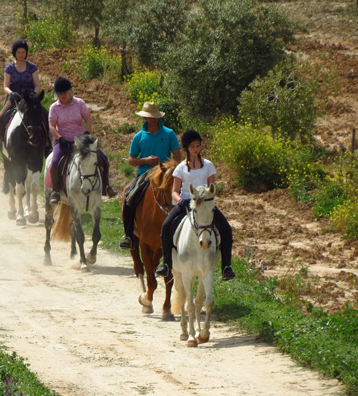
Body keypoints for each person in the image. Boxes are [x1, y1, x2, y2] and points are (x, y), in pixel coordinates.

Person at [156, 129, 235, 281]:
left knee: (226, 228)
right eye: (192, 146)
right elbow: (174, 192)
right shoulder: (180, 168)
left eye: (197, 145)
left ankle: (226, 266)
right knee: (166, 226)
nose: (196, 149)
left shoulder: (208, 165)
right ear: (186, 148)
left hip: (204, 204)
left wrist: (208, 199)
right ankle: (166, 264)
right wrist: (181, 200)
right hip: (186, 203)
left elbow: (212, 188)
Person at [118, 102, 181, 250]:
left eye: (154, 117)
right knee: (128, 195)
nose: (151, 119)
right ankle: (128, 234)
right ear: (144, 118)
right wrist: (145, 160)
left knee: (182, 197)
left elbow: (177, 154)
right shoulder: (138, 137)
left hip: (164, 174)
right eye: (148, 117)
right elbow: (131, 160)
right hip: (144, 174)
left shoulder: (169, 133)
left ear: (158, 117)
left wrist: (169, 167)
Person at [48, 77, 117, 204]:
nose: (63, 95)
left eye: (65, 92)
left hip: (81, 140)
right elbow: (52, 126)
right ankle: (56, 191)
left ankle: (106, 186)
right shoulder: (54, 107)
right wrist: (60, 138)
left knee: (103, 157)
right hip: (63, 140)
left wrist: (86, 133)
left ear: (70, 91)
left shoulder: (79, 103)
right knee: (55, 162)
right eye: (60, 93)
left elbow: (88, 119)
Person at [0, 39, 49, 159]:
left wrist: (34, 93)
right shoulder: (9, 68)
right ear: (14, 53)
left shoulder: (32, 67)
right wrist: (12, 93)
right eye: (19, 52)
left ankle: (47, 145)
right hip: (14, 98)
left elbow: (37, 84)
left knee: (45, 115)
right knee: (1, 117)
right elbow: (5, 86)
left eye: (23, 52)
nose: (21, 54)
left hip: (29, 99)